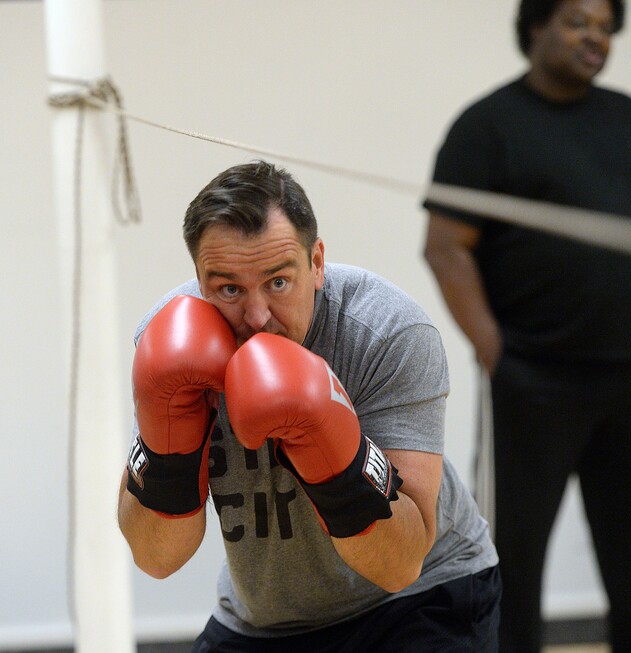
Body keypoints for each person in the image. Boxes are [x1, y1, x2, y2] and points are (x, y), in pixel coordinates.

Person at [118, 160, 500, 653]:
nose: (256, 318)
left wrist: (334, 454)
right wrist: (167, 446)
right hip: (263, 619)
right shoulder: (170, 344)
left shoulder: (386, 333)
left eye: (278, 282)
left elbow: (400, 563)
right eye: (229, 288)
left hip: (416, 600)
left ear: (316, 263)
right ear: (198, 279)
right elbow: (155, 557)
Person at [422, 1, 631, 652]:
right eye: (577, 21)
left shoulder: (628, 117)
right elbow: (445, 246)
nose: (595, 37)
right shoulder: (487, 126)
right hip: (535, 382)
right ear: (536, 25)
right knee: (511, 564)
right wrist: (498, 353)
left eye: (605, 27)